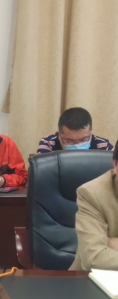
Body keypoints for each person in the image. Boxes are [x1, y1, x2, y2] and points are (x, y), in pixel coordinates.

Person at [70, 142, 118, 271]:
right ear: (115, 164)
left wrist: (111, 244)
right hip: (91, 279)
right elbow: (94, 258)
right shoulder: (91, 194)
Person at [37, 107, 114, 154]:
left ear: (90, 131)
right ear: (59, 134)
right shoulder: (49, 143)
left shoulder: (103, 145)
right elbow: (41, 171)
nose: (77, 145)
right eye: (69, 141)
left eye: (83, 139)